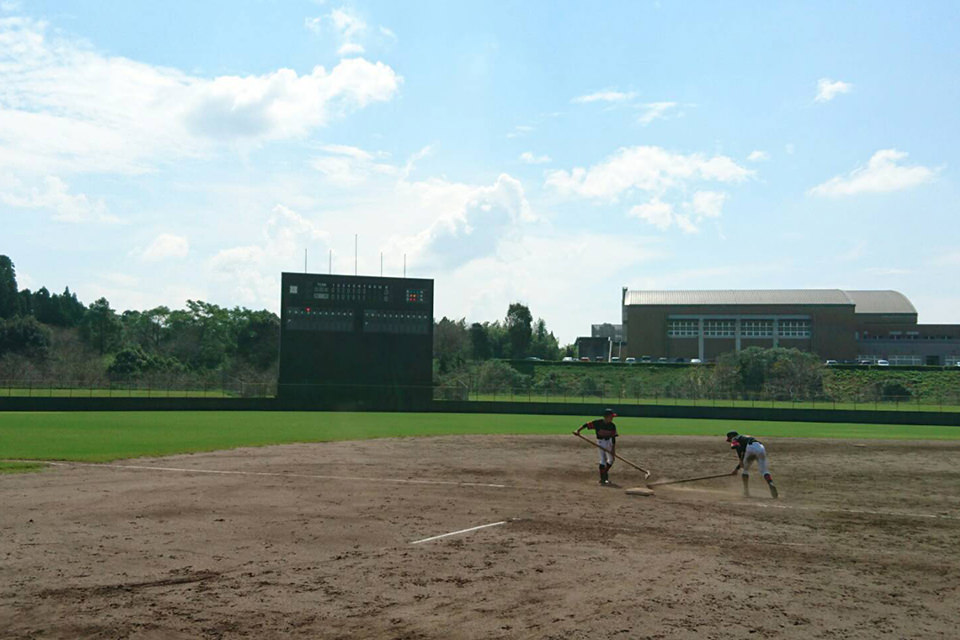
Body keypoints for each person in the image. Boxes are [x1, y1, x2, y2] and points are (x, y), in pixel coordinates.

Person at [726, 431, 778, 498]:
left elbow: (736, 447)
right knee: (764, 471)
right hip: (761, 448)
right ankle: (770, 483)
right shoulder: (746, 437)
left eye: (729, 439)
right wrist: (737, 468)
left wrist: (737, 469)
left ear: (731, 436)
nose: (730, 441)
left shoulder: (735, 439)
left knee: (745, 470)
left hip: (750, 448)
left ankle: (746, 491)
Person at [574, 409, 618, 485]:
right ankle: (603, 479)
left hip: (609, 442)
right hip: (600, 443)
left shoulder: (612, 426)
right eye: (611, 416)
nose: (612, 418)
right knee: (603, 460)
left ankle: (604, 473)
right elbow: (586, 425)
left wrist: (613, 451)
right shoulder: (598, 423)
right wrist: (578, 430)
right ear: (606, 417)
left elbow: (613, 438)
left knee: (611, 460)